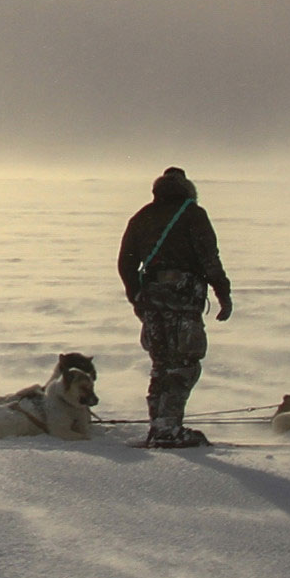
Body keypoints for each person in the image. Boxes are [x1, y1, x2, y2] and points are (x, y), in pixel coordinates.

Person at [118, 166, 233, 448]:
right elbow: (210, 259)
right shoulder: (193, 214)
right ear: (187, 189)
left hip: (152, 300)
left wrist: (137, 298)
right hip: (183, 300)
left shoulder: (142, 217)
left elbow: (125, 263)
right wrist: (223, 294)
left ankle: (159, 424)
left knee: (161, 363)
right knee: (184, 363)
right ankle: (168, 429)